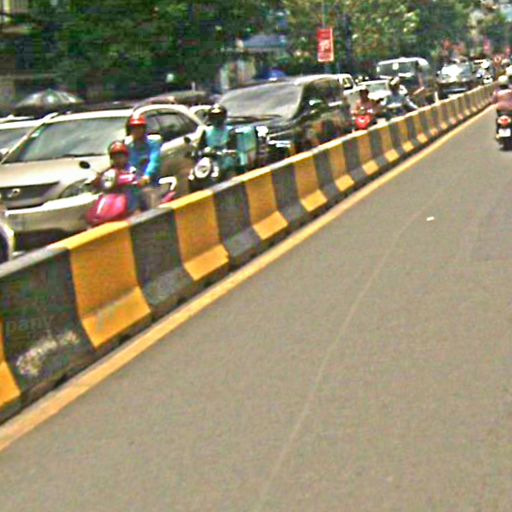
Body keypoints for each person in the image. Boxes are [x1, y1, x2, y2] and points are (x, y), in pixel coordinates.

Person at [126, 113, 162, 209]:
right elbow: (125, 164)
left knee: (152, 206)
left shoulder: (153, 144)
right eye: (134, 128)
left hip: (150, 184)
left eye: (139, 128)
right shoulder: (128, 146)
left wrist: (147, 176)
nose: (136, 131)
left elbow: (154, 161)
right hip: (132, 185)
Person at [198, 104, 238, 175]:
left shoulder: (230, 131)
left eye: (219, 117)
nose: (217, 120)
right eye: (214, 117)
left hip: (226, 164)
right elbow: (200, 147)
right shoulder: (206, 131)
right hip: (210, 163)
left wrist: (229, 152)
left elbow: (233, 147)